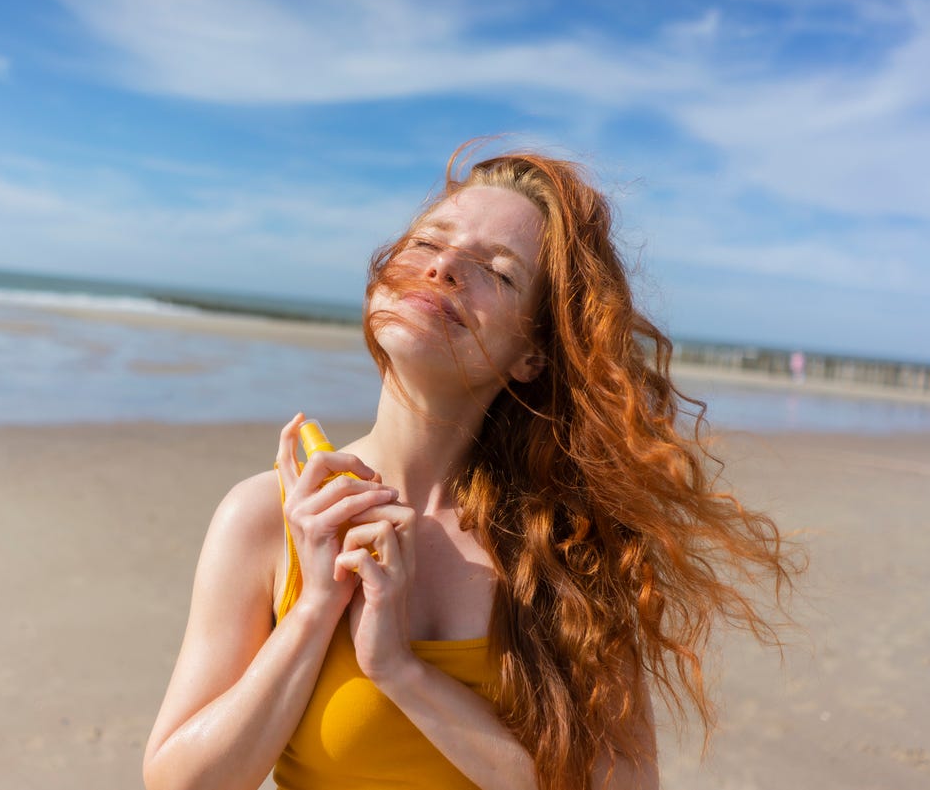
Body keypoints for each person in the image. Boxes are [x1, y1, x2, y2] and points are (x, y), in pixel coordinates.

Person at [142, 144, 798, 790]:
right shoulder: (269, 517)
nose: (447, 266)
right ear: (380, 283)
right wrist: (316, 606)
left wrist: (402, 671)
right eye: (428, 243)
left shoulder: (567, 547)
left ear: (531, 355)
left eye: (498, 271)